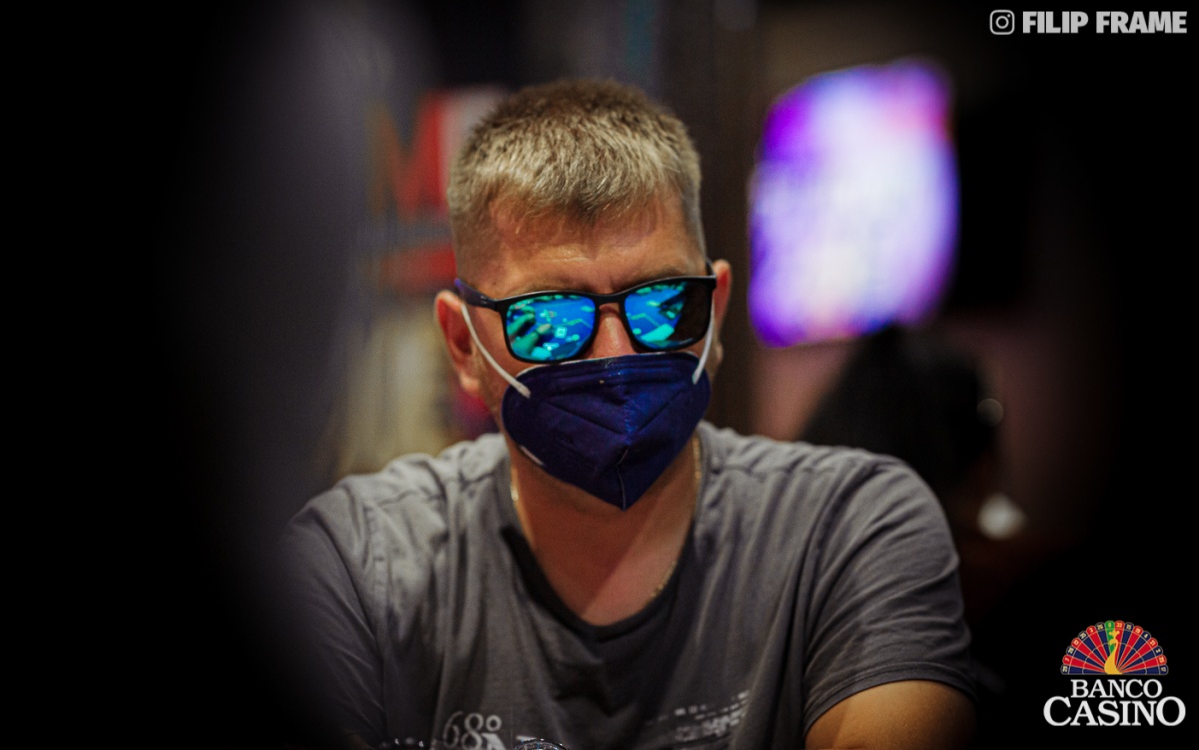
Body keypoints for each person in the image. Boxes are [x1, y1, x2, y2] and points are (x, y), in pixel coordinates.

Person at [282, 79, 976, 750]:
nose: (615, 356)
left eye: (662, 305)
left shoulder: (850, 528)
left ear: (716, 310)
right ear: (464, 344)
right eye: (550, 320)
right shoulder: (358, 565)